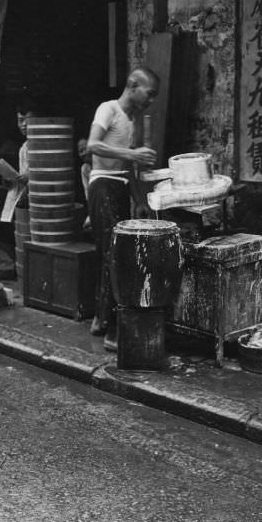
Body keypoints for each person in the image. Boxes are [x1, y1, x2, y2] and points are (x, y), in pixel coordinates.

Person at [86, 67, 160, 351]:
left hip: (118, 187)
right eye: (148, 94)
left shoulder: (133, 120)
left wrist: (139, 200)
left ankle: (101, 319)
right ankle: (112, 329)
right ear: (132, 85)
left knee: (114, 253)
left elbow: (126, 169)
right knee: (114, 254)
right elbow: (93, 145)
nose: (150, 100)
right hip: (102, 185)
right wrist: (132, 153)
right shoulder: (109, 109)